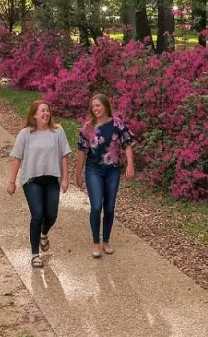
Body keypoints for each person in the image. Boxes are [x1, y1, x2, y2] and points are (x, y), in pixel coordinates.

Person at [8, 99, 71, 268]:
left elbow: (64, 156)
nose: (46, 113)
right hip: (32, 180)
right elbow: (17, 159)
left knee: (51, 215)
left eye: (47, 110)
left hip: (51, 179)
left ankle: (44, 233)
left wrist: (65, 178)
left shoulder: (57, 132)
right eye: (42, 110)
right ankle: (35, 254)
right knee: (37, 214)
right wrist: (11, 182)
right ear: (34, 115)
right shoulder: (25, 134)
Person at [76, 93, 136, 259]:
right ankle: (96, 242)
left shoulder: (117, 124)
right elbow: (81, 152)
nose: (96, 109)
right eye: (93, 106)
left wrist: (130, 165)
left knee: (109, 207)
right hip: (93, 170)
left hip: (112, 171)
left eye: (98, 105)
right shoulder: (87, 128)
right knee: (96, 206)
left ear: (105, 106)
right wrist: (78, 174)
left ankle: (106, 240)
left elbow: (128, 144)